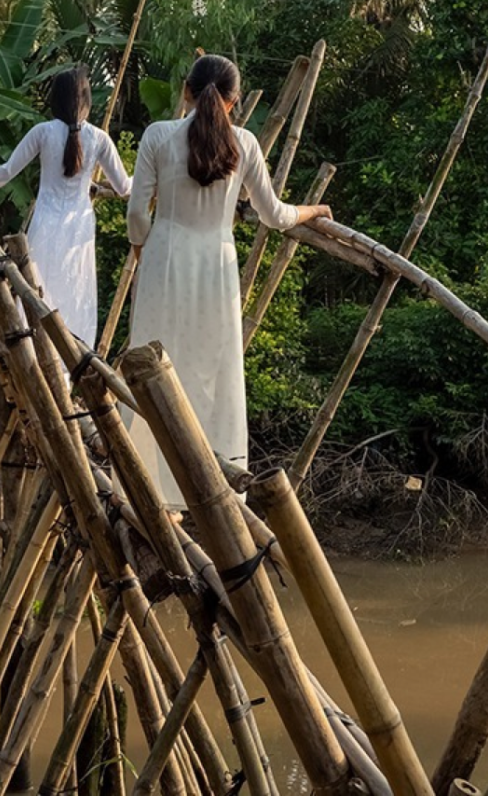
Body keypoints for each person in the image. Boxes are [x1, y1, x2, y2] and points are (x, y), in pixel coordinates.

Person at [125, 54, 332, 510]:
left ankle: (147, 480)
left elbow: (138, 214)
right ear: (235, 102)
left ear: (186, 91)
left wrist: (143, 251)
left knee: (158, 361)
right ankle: (209, 486)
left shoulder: (158, 136)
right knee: (211, 369)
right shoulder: (246, 144)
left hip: (165, 258)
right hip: (217, 266)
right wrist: (313, 210)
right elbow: (274, 216)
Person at [0, 65, 132, 350]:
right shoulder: (99, 139)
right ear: (86, 100)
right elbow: (124, 187)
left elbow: (6, 172)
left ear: (55, 99)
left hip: (45, 222)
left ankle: (31, 351)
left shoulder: (42, 132)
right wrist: (153, 178)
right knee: (75, 291)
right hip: (79, 227)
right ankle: (73, 355)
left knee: (36, 287)